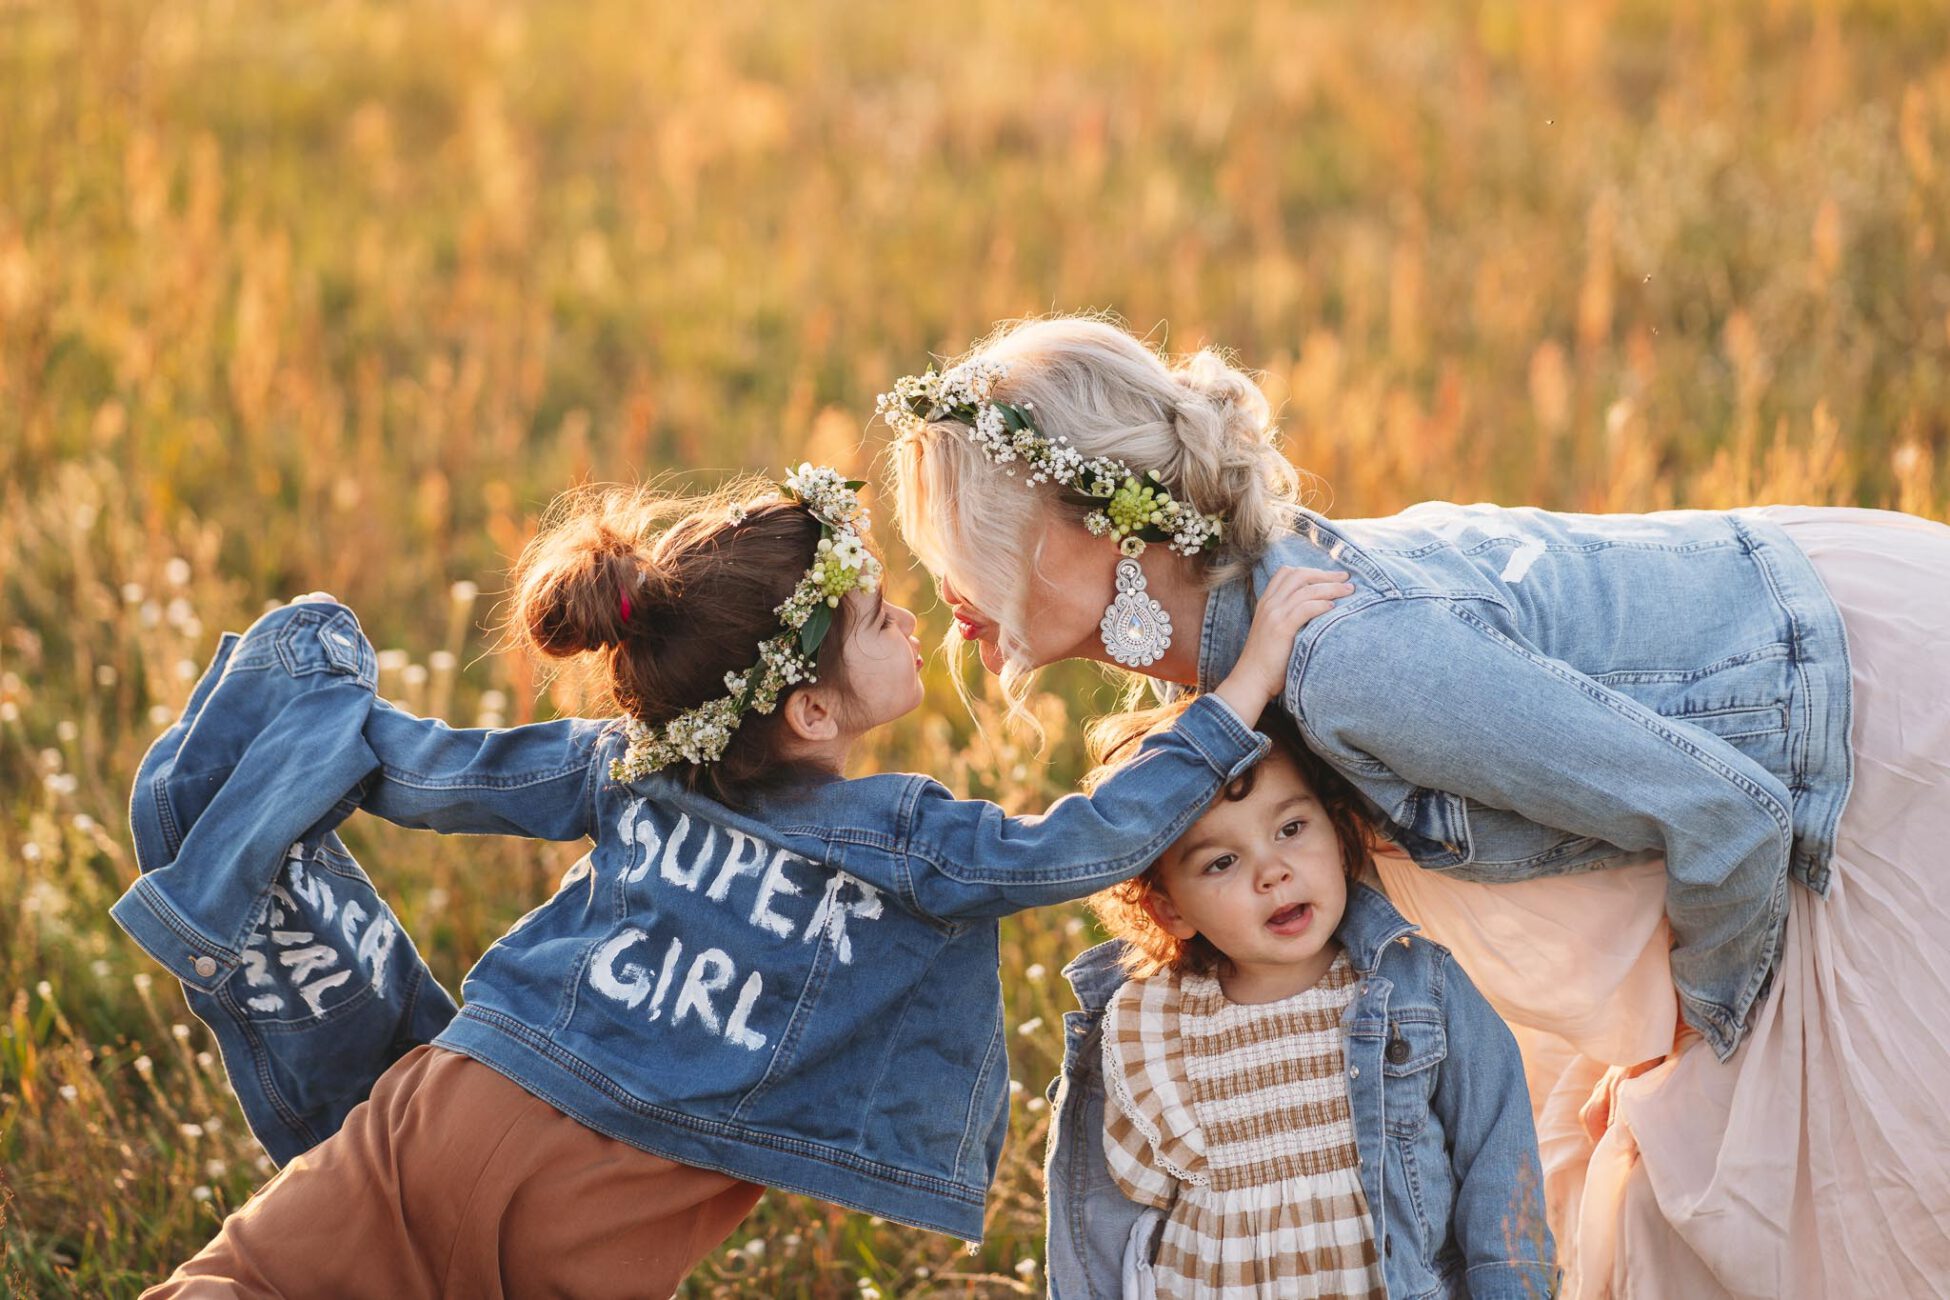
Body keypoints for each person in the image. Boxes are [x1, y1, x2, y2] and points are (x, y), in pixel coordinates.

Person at [883, 318, 1950, 1298]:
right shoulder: (1237, 659)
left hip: (1861, 734)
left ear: (1106, 532)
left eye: (976, 541)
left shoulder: (1350, 663)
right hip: (1764, 736)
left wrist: (1691, 1042)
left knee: (1776, 1201)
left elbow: (1727, 816)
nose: (952, 597)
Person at [116, 465, 1342, 1298]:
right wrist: (1240, 691)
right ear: (809, 710)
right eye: (877, 615)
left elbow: (429, 771)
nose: (908, 621)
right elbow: (1086, 840)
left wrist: (306, 715)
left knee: (245, 1281)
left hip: (448, 1105)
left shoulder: (628, 764)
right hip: (607, 1195)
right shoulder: (902, 834)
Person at [1062, 700, 1553, 1299]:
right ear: (1171, 911)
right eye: (1222, 862)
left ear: (1339, 837)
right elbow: (1118, 1218)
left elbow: (1497, 1158)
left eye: (1291, 829)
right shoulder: (1152, 1024)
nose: (1272, 872)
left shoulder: (1416, 988)